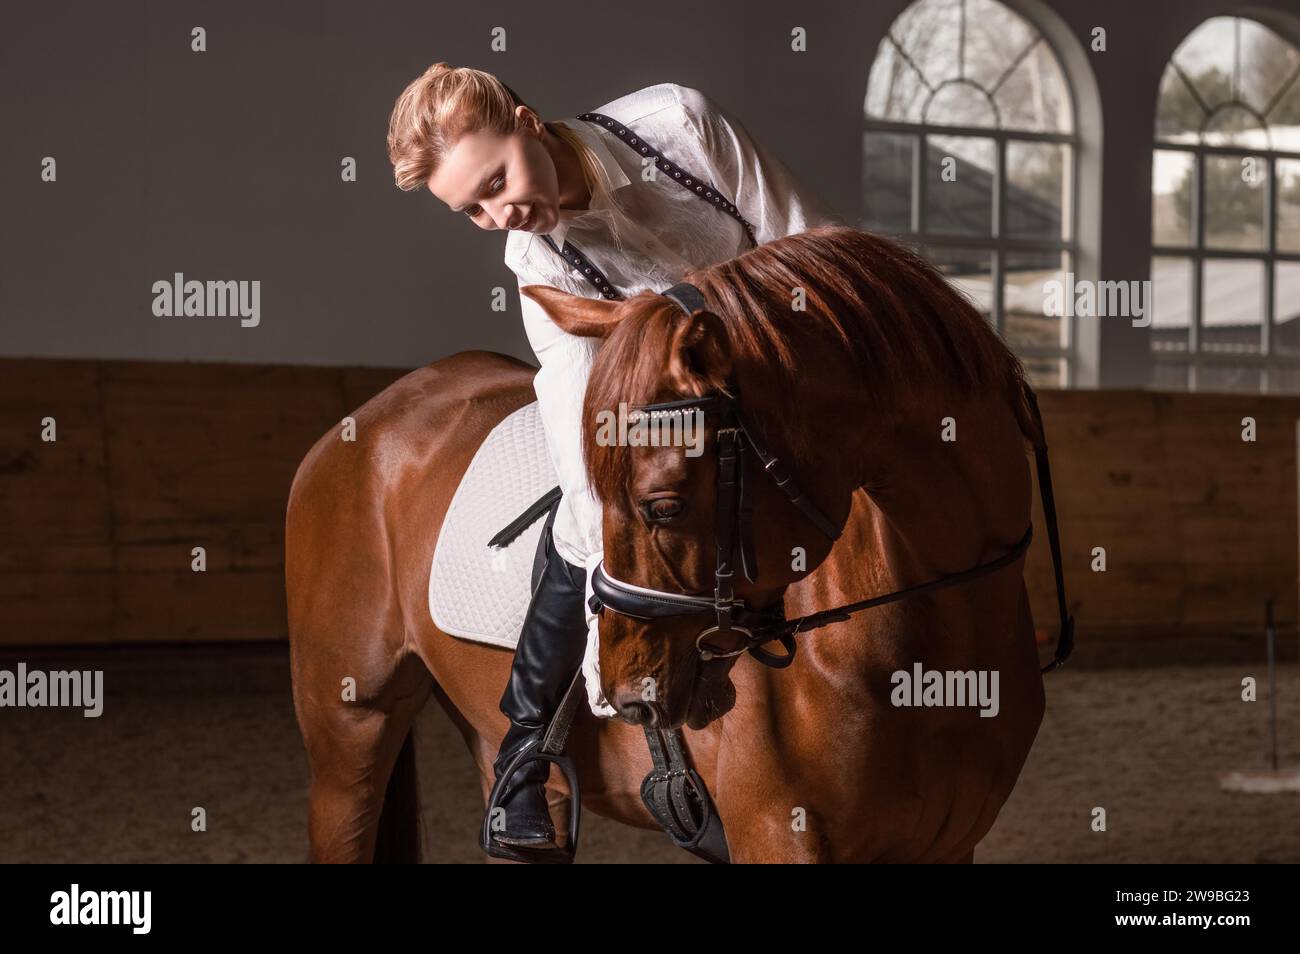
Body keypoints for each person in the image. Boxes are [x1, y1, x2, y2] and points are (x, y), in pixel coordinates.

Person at [387, 63, 838, 851]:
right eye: (473, 209)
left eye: (498, 179)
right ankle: (526, 754)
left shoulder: (680, 125)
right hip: (662, 414)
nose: (502, 213)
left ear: (528, 121)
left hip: (783, 365)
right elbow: (571, 415)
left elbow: (806, 241)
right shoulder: (535, 262)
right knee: (577, 514)